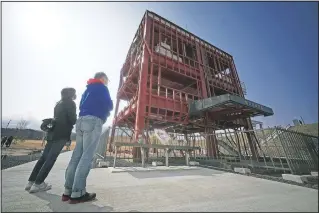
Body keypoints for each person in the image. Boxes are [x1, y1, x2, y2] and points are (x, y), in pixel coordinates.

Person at [62, 72, 113, 204]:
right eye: (107, 80)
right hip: (93, 121)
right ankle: (78, 193)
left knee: (76, 157)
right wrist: (105, 113)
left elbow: (81, 106)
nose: (107, 82)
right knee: (86, 156)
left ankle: (67, 191)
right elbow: (110, 105)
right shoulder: (102, 87)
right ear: (102, 78)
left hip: (81, 121)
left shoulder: (87, 89)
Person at [25, 88, 77, 193]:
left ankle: (31, 182)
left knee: (44, 158)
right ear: (71, 94)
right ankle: (38, 184)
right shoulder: (71, 103)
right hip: (61, 134)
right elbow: (72, 120)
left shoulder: (58, 104)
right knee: (51, 159)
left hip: (52, 133)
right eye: (74, 93)